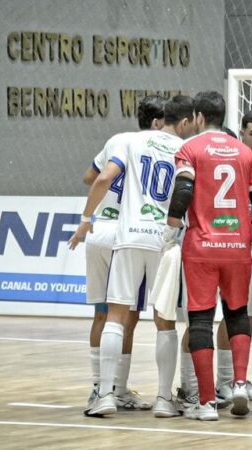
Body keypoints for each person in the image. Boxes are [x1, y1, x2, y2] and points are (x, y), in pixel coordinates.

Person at [69, 95, 196, 417]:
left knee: (116, 314)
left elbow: (101, 177)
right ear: (182, 122)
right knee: (164, 321)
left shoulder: (129, 140)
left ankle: (106, 394)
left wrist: (86, 220)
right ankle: (165, 400)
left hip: (129, 235)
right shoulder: (186, 149)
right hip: (164, 240)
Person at [164, 91, 252, 421]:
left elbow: (183, 191)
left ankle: (207, 403)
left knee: (200, 320)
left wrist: (169, 231)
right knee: (238, 315)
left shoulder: (190, 148)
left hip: (201, 247)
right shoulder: (244, 153)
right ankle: (238, 383)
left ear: (197, 117)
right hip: (237, 247)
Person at [79, 95, 165, 415]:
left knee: (102, 314)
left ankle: (97, 388)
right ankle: (116, 389)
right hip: (125, 233)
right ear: (158, 123)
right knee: (125, 317)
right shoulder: (156, 147)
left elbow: (91, 177)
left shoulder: (117, 140)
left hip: (99, 228)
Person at [215, 109, 252, 404]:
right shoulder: (231, 159)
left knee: (247, 315)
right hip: (220, 245)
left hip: (251, 249)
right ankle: (222, 381)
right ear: (242, 132)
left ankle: (239, 378)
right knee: (222, 314)